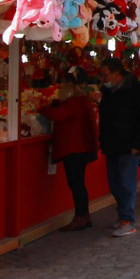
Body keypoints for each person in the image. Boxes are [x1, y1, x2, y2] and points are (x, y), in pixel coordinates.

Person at [98, 56, 140, 237]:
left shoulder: (135, 89)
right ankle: (123, 216)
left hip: (129, 144)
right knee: (114, 183)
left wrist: (138, 143)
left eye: (105, 75)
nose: (102, 79)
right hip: (111, 143)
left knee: (126, 183)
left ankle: (128, 220)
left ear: (116, 74)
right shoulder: (107, 92)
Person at [49, 81, 100, 231]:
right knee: (79, 184)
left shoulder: (73, 104)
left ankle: (80, 217)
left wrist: (43, 108)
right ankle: (84, 216)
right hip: (84, 148)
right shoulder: (84, 102)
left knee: (76, 184)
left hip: (74, 150)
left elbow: (57, 115)